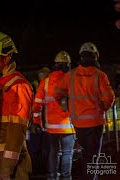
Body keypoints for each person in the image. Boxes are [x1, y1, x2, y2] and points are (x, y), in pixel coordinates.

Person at [53, 42, 115, 180]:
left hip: (78, 124)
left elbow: (57, 94)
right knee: (92, 156)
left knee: (87, 155)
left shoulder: (71, 75)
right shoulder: (100, 75)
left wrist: (66, 106)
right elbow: (109, 97)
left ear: (81, 57)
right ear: (96, 57)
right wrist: (103, 107)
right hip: (95, 123)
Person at [0, 32, 34, 180]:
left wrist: (6, 170)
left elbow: (16, 131)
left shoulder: (17, 87)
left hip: (10, 168)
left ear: (7, 57)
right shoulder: (1, 85)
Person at [32, 51, 75, 180]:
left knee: (53, 152)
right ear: (68, 64)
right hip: (68, 126)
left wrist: (37, 121)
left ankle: (52, 177)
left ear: (55, 65)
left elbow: (37, 105)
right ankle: (66, 177)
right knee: (67, 153)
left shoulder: (45, 82)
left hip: (51, 128)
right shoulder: (71, 80)